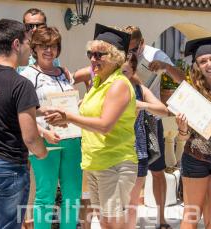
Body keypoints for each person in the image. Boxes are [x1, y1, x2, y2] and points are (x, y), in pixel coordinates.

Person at [45, 23, 138, 229]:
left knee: (113, 224)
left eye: (99, 55)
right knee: (105, 223)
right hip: (96, 162)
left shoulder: (118, 84)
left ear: (115, 57)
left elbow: (105, 125)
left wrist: (68, 117)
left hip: (114, 163)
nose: (93, 59)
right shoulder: (98, 84)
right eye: (91, 54)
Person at [0, 18, 48, 229]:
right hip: (8, 165)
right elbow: (30, 137)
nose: (29, 50)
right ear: (16, 44)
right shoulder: (21, 84)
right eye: (27, 43)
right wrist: (43, 152)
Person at [20, 26, 82, 229]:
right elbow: (24, 114)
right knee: (45, 194)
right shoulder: (27, 75)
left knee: (72, 193)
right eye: (44, 46)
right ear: (35, 48)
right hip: (45, 140)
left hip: (72, 138)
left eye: (54, 46)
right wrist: (43, 132)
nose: (49, 51)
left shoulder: (64, 73)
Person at [123, 25, 184, 229]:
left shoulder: (154, 54)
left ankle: (162, 219)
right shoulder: (118, 53)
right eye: (127, 49)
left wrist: (165, 67)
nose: (130, 53)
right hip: (123, 121)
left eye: (134, 49)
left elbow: (181, 79)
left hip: (150, 119)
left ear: (142, 43)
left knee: (157, 170)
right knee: (124, 172)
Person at [175, 36, 211, 229]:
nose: (209, 64)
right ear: (197, 66)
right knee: (192, 216)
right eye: (203, 61)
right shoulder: (191, 93)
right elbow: (183, 137)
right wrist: (182, 129)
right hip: (196, 159)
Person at [121, 53, 169, 229]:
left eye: (124, 71)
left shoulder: (140, 90)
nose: (120, 76)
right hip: (113, 153)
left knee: (132, 204)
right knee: (114, 207)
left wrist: (142, 105)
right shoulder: (106, 89)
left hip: (137, 151)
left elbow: (163, 110)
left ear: (133, 71)